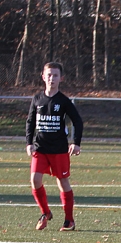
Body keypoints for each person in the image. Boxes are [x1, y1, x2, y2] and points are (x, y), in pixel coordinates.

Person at [25, 61, 83, 232]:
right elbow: (30, 121)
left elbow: (77, 121)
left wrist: (76, 143)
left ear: (61, 78)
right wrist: (29, 143)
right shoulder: (37, 99)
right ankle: (45, 212)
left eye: (55, 75)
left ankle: (69, 221)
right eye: (49, 75)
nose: (52, 78)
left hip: (59, 149)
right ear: (43, 77)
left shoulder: (63, 101)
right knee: (35, 180)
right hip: (40, 147)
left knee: (62, 181)